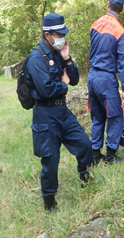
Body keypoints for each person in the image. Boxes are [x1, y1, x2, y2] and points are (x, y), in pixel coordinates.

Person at [26, 13, 94, 211]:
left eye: (63, 34)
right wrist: (62, 84)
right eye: (58, 34)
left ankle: (84, 176)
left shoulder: (58, 52)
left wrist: (67, 59)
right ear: (47, 35)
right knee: (51, 160)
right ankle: (49, 202)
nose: (62, 38)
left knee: (84, 144)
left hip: (62, 111)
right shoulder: (36, 58)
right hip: (45, 115)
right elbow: (47, 89)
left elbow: (73, 80)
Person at [87, 0, 124, 164]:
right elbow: (123, 63)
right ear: (122, 9)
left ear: (108, 4)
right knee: (115, 116)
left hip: (92, 77)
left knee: (97, 116)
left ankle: (95, 153)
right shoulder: (120, 31)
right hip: (106, 79)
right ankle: (111, 156)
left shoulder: (95, 25)